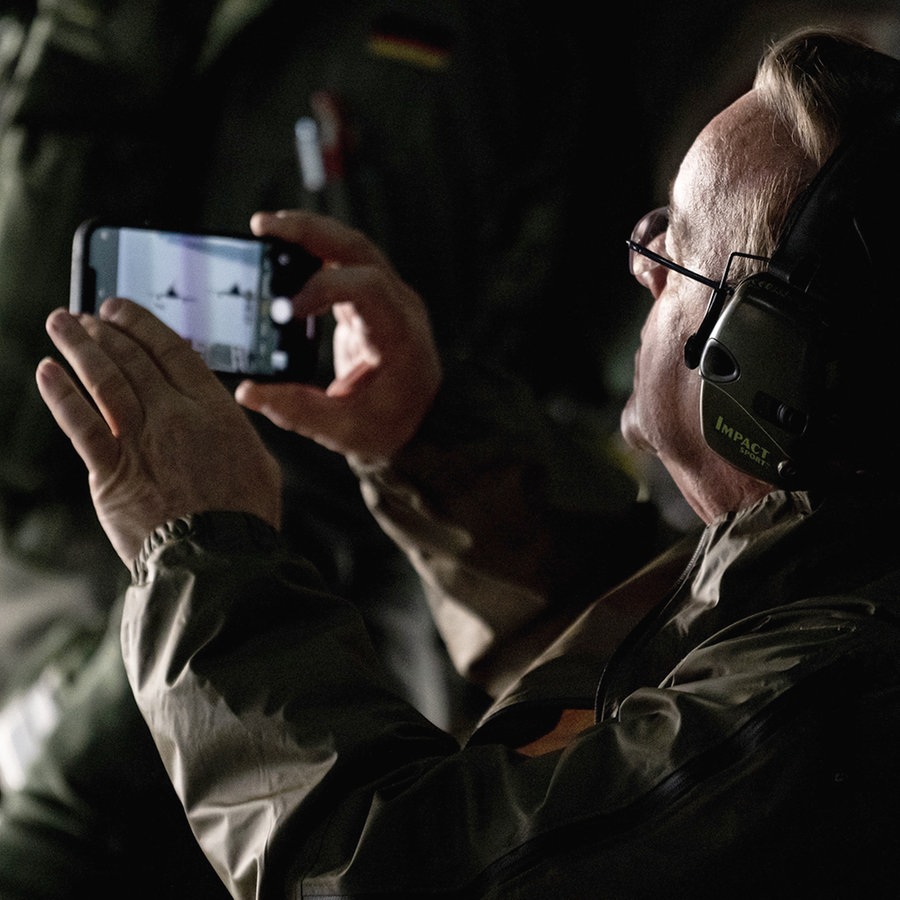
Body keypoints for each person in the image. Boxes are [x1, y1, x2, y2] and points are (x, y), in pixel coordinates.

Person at [34, 25, 900, 898]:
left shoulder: (823, 709)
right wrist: (427, 438)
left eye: (675, 246)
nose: (640, 265)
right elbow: (632, 677)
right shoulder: (814, 556)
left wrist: (204, 553)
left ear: (763, 374)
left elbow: (389, 874)